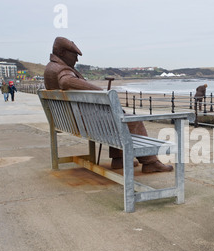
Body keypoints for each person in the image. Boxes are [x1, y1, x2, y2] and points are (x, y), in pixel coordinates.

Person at [44, 36, 173, 173]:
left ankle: (119, 160)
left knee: (115, 116)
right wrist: (102, 93)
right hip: (83, 124)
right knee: (132, 120)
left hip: (67, 121)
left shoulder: (50, 68)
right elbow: (66, 81)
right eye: (74, 55)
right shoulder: (62, 70)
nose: (77, 59)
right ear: (63, 53)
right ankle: (150, 162)